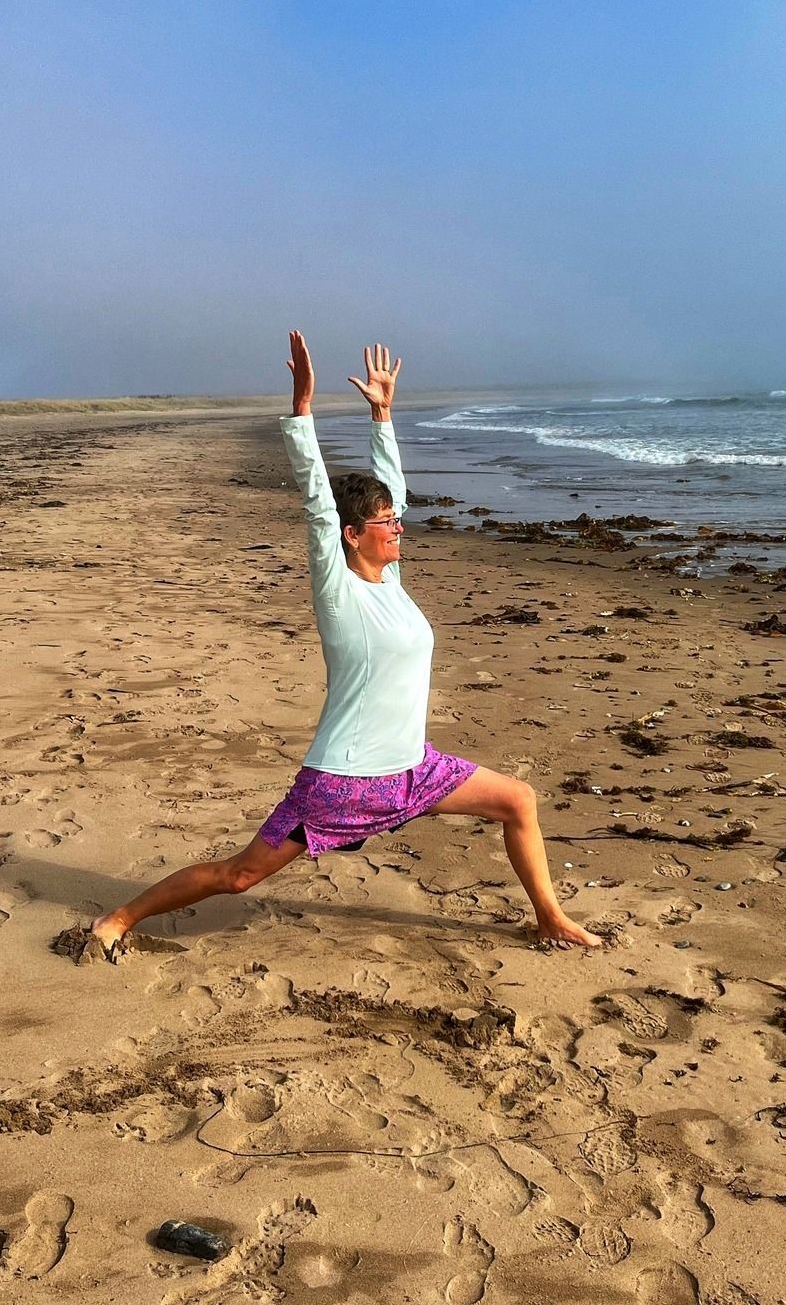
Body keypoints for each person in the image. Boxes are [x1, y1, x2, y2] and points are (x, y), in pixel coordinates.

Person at [83, 333, 600, 958]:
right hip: (346, 782)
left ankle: (548, 916)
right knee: (241, 875)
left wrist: (383, 416)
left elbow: (393, 491)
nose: (398, 528)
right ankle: (119, 918)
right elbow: (319, 508)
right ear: (353, 536)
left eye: (396, 520)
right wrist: (302, 413)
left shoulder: (391, 583)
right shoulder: (339, 591)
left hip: (415, 771)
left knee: (518, 800)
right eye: (385, 524)